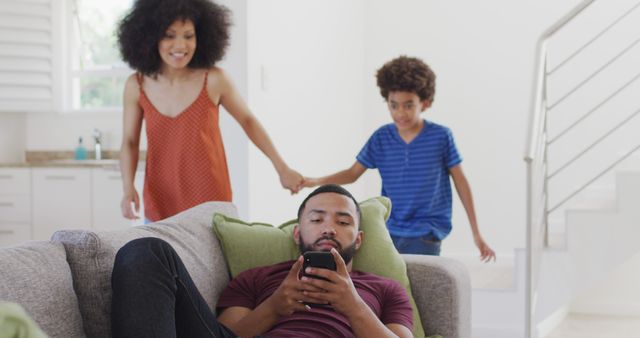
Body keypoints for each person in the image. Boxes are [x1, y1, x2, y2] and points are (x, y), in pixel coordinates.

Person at [111, 184, 414, 338]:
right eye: (317, 218)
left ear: (358, 239)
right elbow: (224, 336)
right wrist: (274, 307)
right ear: (297, 233)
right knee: (146, 252)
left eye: (343, 221)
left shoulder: (384, 288)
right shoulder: (258, 277)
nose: (329, 227)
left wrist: (352, 305)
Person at [117, 0, 303, 222]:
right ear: (149, 37)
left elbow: (248, 121)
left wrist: (282, 168)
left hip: (211, 200)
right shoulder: (136, 85)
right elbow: (130, 142)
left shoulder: (214, 79)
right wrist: (128, 188)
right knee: (162, 257)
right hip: (160, 200)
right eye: (169, 35)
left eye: (188, 35)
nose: (180, 45)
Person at [303, 56, 496, 261]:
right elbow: (352, 173)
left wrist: (476, 233)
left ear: (425, 103)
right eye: (394, 105)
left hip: (426, 232)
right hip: (390, 230)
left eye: (408, 105)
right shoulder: (381, 138)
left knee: (420, 286)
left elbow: (460, 181)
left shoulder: (441, 137)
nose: (400, 113)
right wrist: (313, 181)